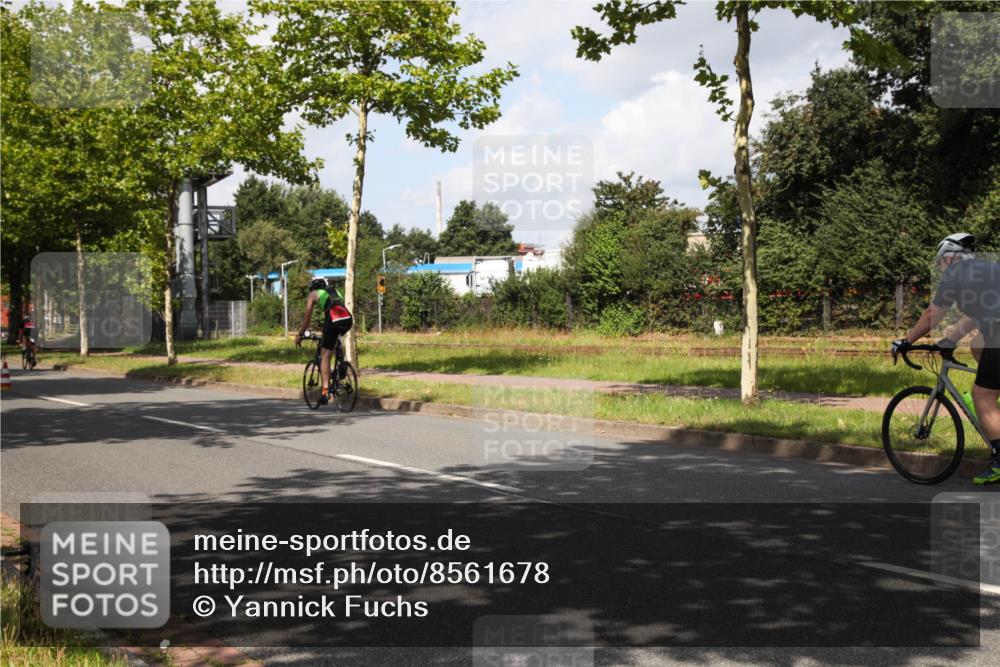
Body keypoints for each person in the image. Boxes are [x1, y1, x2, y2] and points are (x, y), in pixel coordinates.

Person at [892, 233, 1000, 484]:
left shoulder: (956, 273)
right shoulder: (988, 270)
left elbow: (932, 314)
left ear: (950, 258)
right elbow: (974, 316)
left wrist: (907, 341)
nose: (941, 269)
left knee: (981, 395)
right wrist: (950, 340)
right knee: (977, 344)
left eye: (941, 262)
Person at [294, 278, 353, 405]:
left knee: (324, 355)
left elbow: (307, 318)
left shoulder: (313, 294)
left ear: (313, 288)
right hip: (347, 319)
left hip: (333, 319)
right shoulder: (335, 291)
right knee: (335, 338)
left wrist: (300, 335)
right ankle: (341, 362)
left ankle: (325, 392)